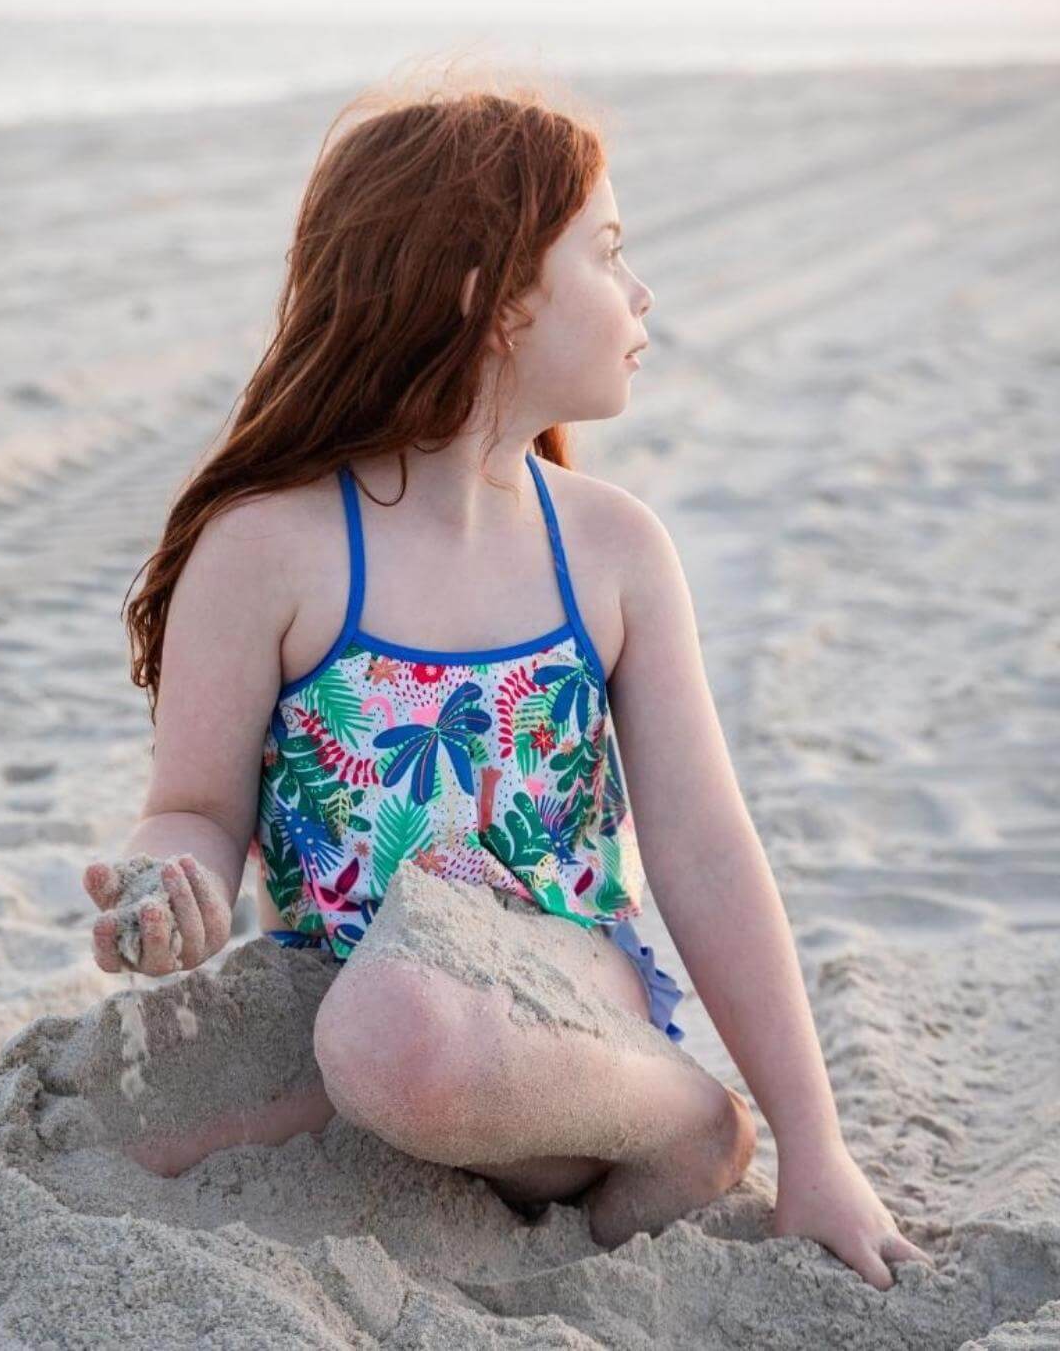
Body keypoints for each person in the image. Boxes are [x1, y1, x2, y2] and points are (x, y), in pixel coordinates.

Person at [82, 70, 933, 1289]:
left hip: (547, 1006)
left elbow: (703, 854)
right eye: (609, 254)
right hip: (331, 997)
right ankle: (396, 1120)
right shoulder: (268, 548)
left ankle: (690, 1121)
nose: (643, 294)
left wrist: (815, 1148)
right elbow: (197, 810)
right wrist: (177, 888)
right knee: (143, 1126)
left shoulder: (613, 549)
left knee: (401, 1030)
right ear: (492, 299)